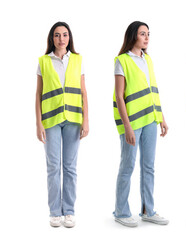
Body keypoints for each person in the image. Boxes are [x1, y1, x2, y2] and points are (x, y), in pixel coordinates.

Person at [112, 21, 169, 227]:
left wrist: (161, 116)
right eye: (142, 33)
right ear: (133, 36)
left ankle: (148, 210)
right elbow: (119, 96)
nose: (146, 37)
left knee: (149, 166)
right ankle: (121, 211)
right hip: (132, 122)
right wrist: (127, 127)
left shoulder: (148, 59)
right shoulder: (122, 60)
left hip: (150, 120)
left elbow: (153, 88)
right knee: (127, 165)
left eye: (148, 34)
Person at [36, 21, 89, 228]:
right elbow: (38, 94)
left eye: (65, 35)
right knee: (53, 167)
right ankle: (54, 212)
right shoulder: (43, 61)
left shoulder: (78, 60)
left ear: (69, 38)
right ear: (52, 38)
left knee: (70, 167)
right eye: (57, 35)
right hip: (50, 120)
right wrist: (38, 123)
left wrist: (87, 119)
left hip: (74, 119)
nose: (61, 39)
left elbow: (84, 92)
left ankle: (69, 210)